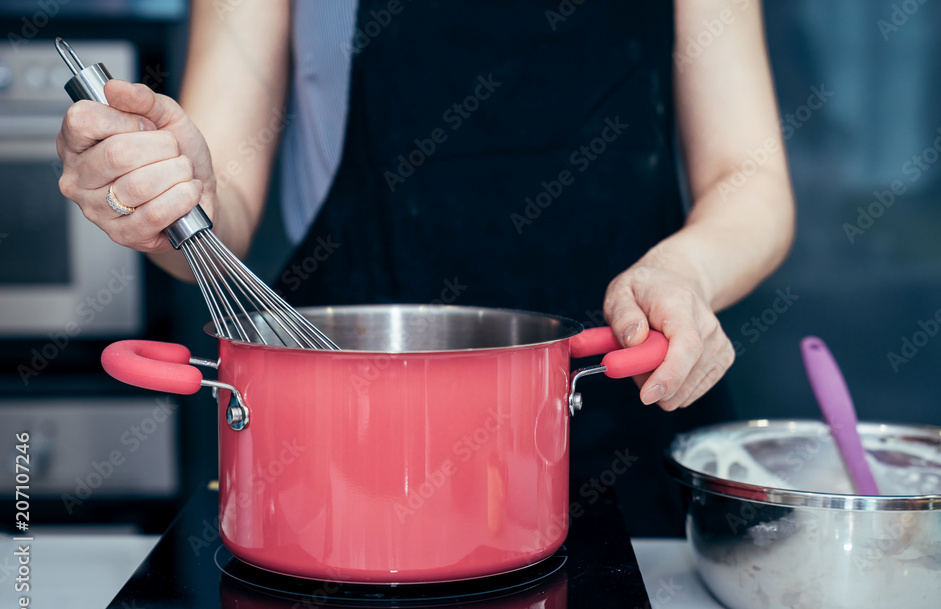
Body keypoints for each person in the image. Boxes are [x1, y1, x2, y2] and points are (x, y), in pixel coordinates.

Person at [56, 0, 795, 536]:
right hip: (346, 455)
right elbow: (225, 193)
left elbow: (750, 178)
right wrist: (168, 196)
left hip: (624, 421)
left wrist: (686, 272)